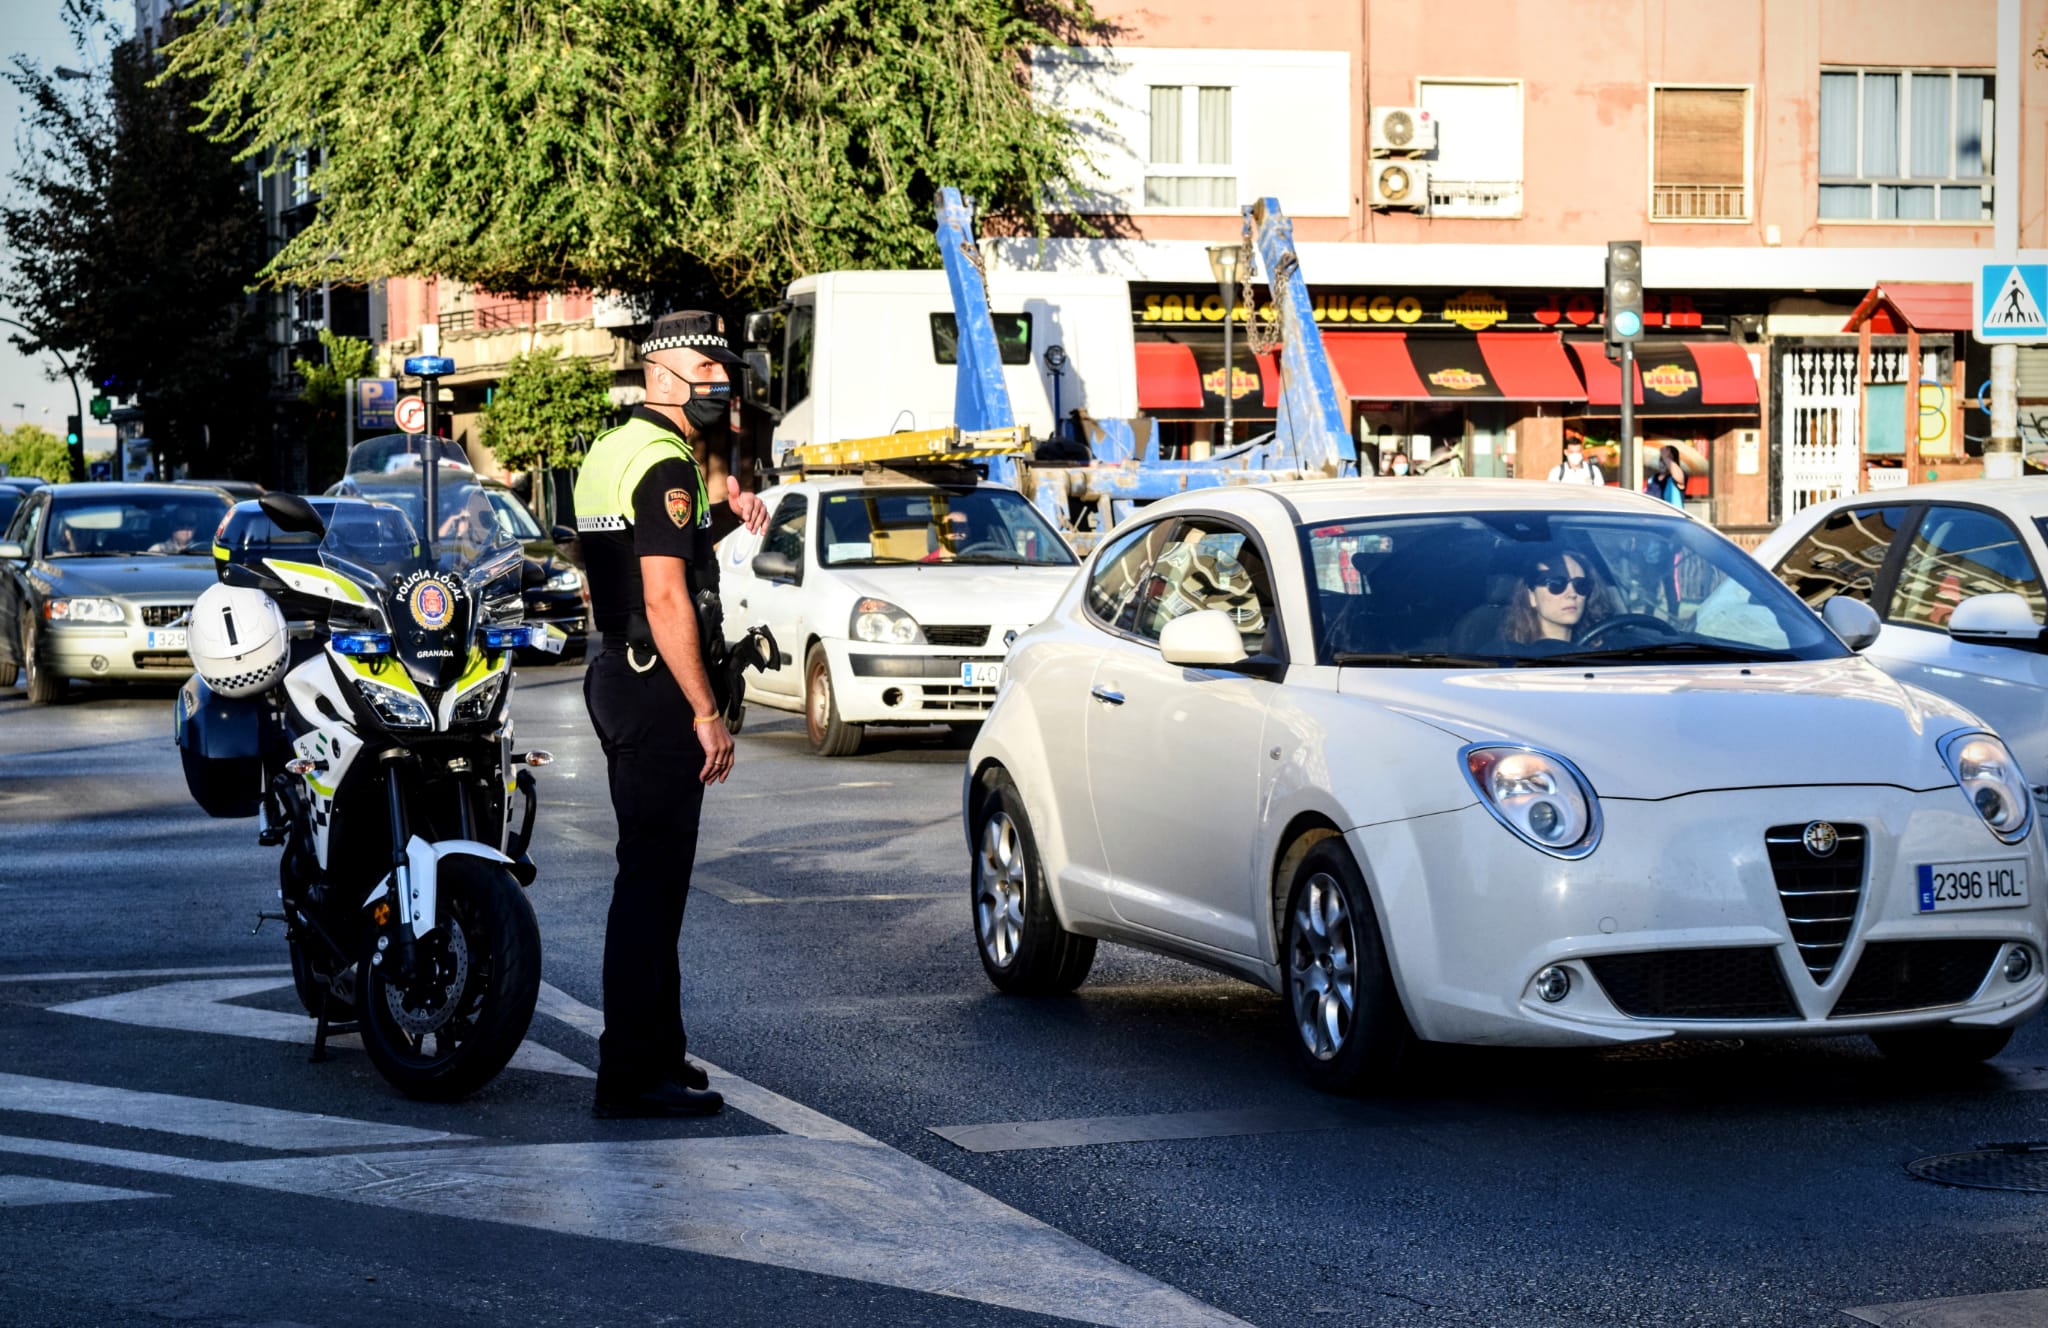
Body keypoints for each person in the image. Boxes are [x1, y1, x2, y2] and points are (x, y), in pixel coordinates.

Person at [573, 310, 769, 1120]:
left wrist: (724, 518)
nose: (718, 383)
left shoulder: (612, 450)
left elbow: (614, 574)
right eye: (704, 368)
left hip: (615, 674)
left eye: (724, 370)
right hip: (654, 687)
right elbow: (662, 593)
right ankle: (629, 1073)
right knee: (652, 884)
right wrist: (705, 710)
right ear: (661, 376)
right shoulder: (665, 463)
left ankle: (661, 1048)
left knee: (656, 877)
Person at [1503, 548, 1603, 645]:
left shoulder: (1602, 651)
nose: (1572, 594)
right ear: (1531, 597)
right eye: (1557, 584)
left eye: (1581, 585)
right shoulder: (1506, 655)